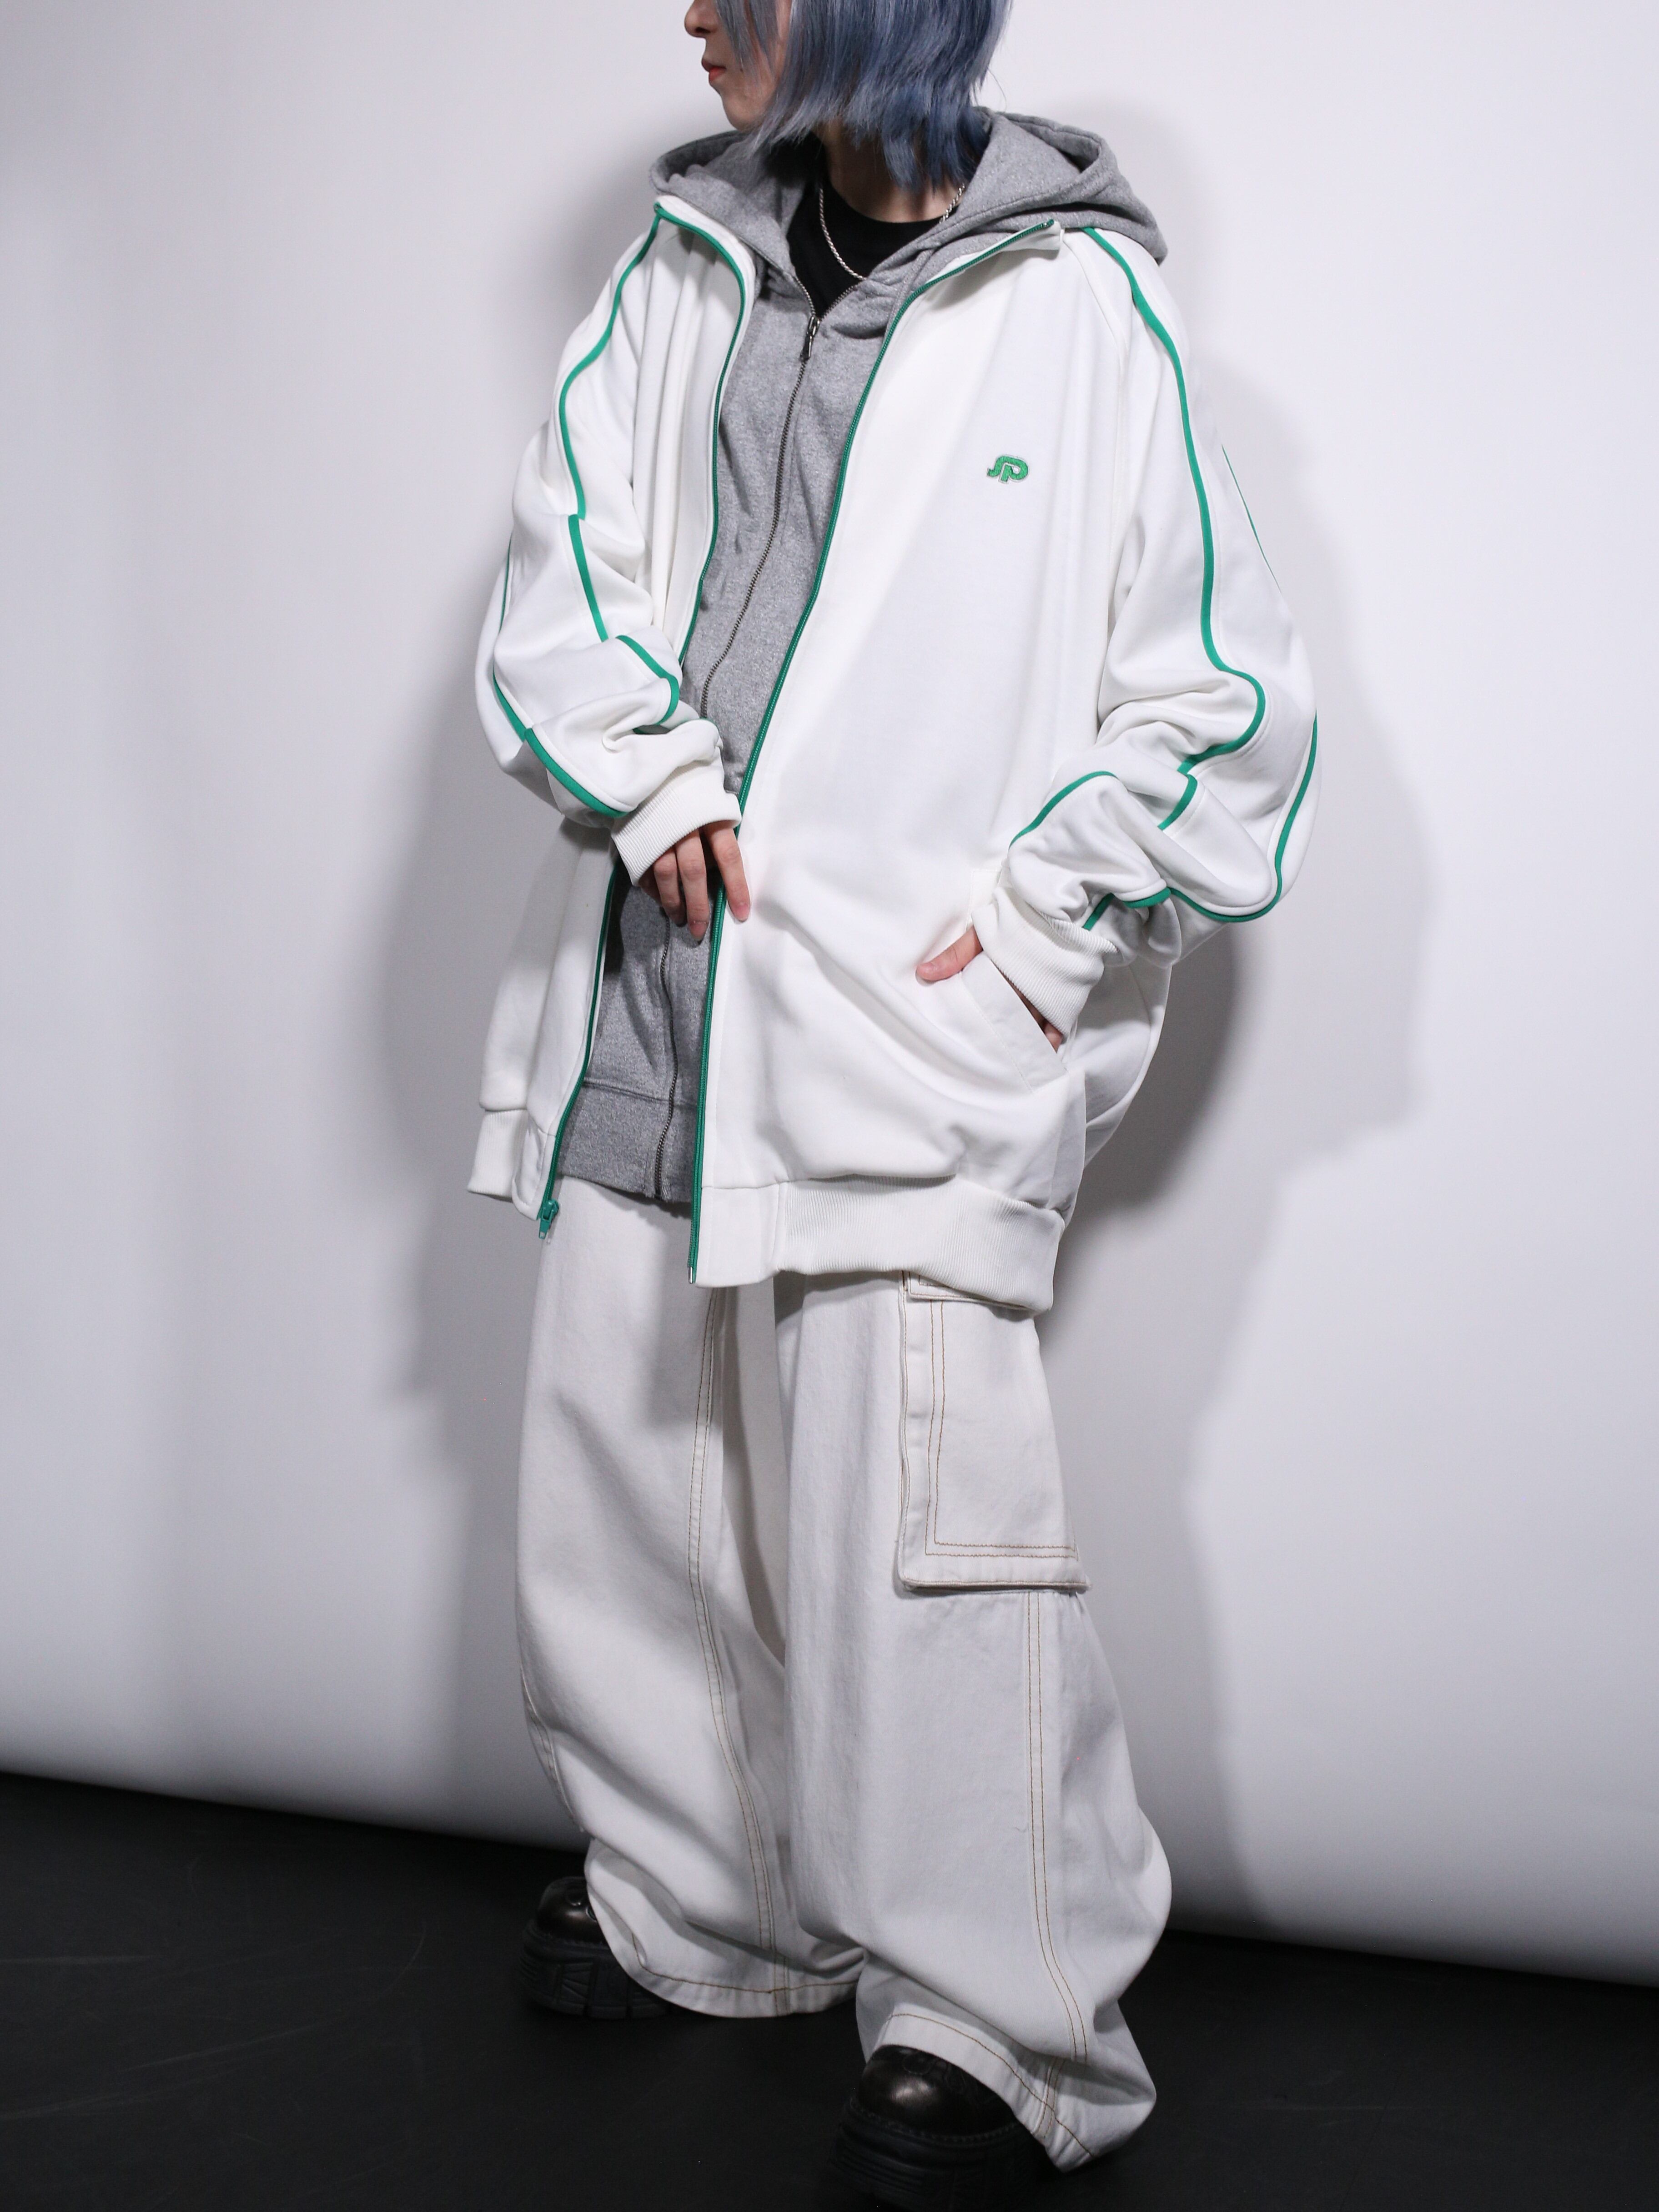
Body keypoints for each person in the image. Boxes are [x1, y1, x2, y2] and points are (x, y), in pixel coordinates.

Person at [469, 0, 1317, 2200]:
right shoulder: (681, 260)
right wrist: (647, 775)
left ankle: (1004, 2020)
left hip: (896, 1019)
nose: (689, 13)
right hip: (657, 981)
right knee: (630, 1479)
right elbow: (563, 565)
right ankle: (707, 1901)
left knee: (924, 1529)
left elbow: (1224, 698)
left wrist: (1040, 932)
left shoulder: (1081, 308)